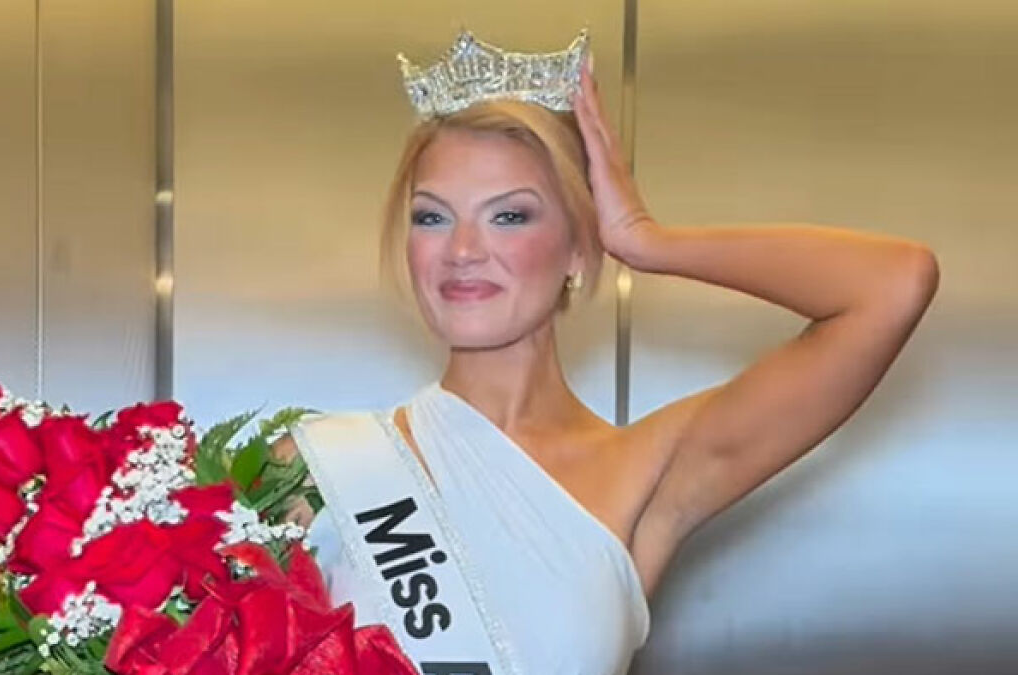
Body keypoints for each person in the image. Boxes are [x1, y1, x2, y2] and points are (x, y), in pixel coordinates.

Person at [270, 29, 939, 675]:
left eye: (510, 215)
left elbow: (892, 285)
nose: (462, 250)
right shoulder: (320, 467)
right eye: (432, 216)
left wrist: (648, 241)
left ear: (577, 249)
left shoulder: (645, 471)